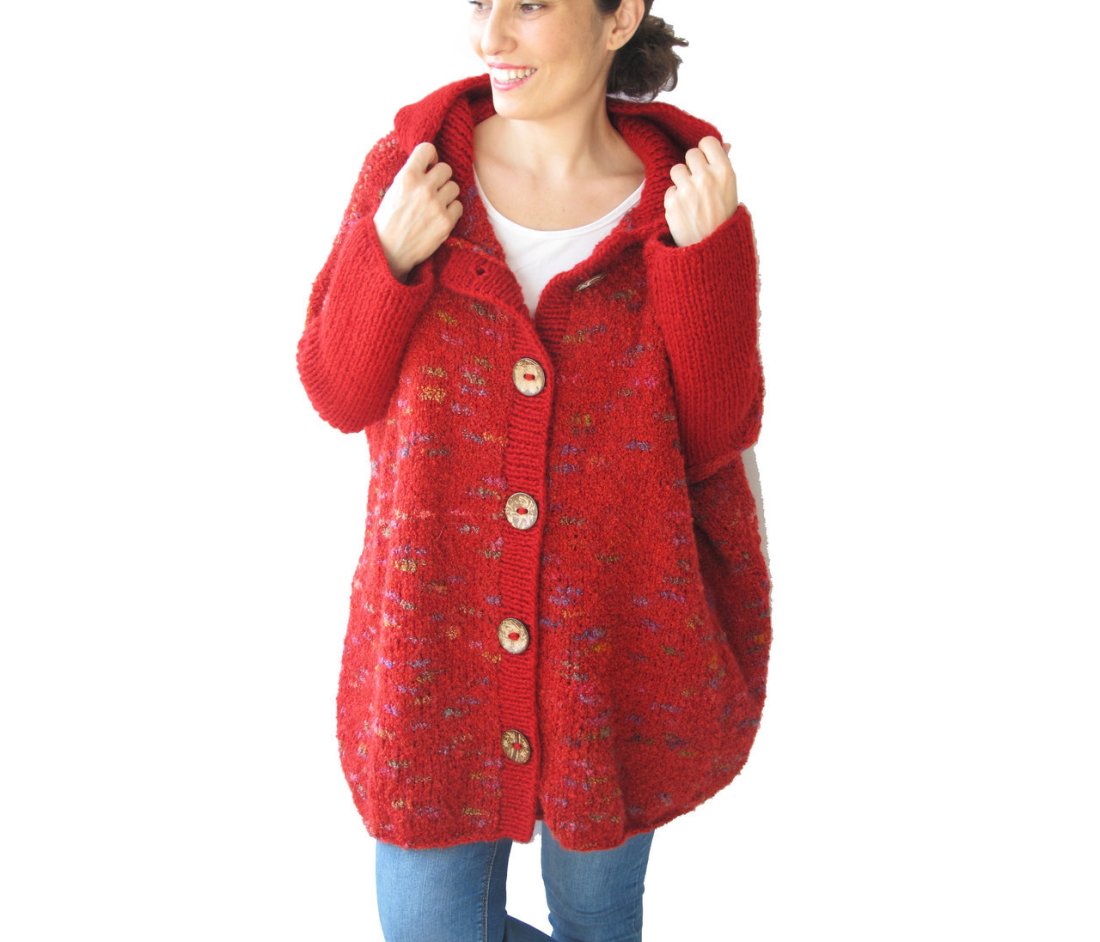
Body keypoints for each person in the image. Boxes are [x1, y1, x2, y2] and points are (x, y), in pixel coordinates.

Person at [296, 1, 771, 939]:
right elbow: (337, 390)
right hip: (435, 654)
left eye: (531, 5)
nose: (491, 38)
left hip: (614, 657)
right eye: (481, 4)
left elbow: (714, 438)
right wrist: (386, 256)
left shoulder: (681, 200)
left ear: (618, 17)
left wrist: (705, 260)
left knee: (597, 919)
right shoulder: (414, 174)